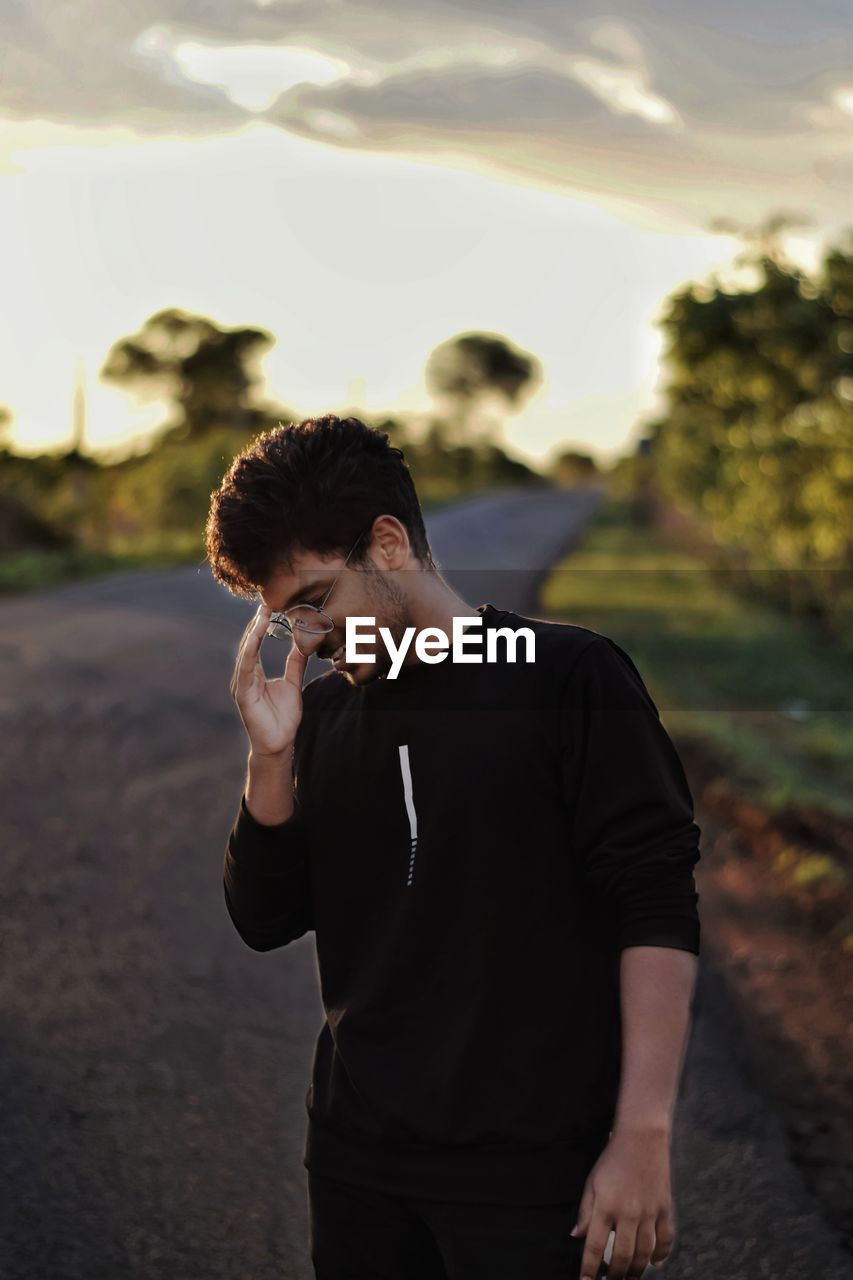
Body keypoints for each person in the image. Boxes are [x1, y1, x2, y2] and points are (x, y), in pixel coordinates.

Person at [205, 414, 702, 1280]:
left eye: (314, 601)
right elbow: (263, 917)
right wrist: (269, 759)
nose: (309, 640)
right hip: (357, 1165)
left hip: (531, 1173)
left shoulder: (567, 678)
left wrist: (642, 1136)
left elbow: (653, 903)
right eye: (287, 622)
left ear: (387, 545)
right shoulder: (318, 719)